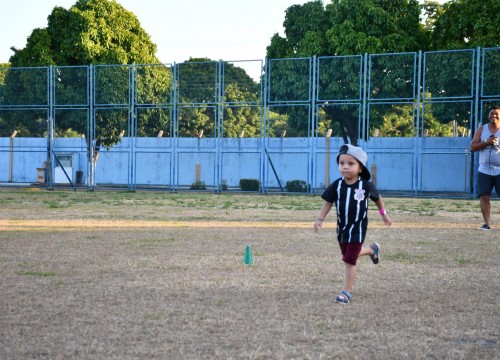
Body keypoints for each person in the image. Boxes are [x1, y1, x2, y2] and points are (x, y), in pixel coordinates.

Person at [313, 144, 392, 304]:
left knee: (349, 260)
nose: (345, 167)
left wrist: (383, 214)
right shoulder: (337, 185)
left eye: (350, 164)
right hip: (342, 229)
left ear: (360, 168)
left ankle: (346, 292)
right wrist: (320, 219)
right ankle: (372, 249)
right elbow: (328, 202)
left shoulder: (365, 186)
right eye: (342, 163)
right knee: (348, 255)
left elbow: (378, 198)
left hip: (358, 229)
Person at [470, 106, 500, 230]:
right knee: (484, 196)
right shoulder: (482, 129)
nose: (493, 116)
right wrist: (486, 141)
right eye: (491, 114)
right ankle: (487, 224)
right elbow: (473, 147)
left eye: (496, 114)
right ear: (488, 116)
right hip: (485, 169)